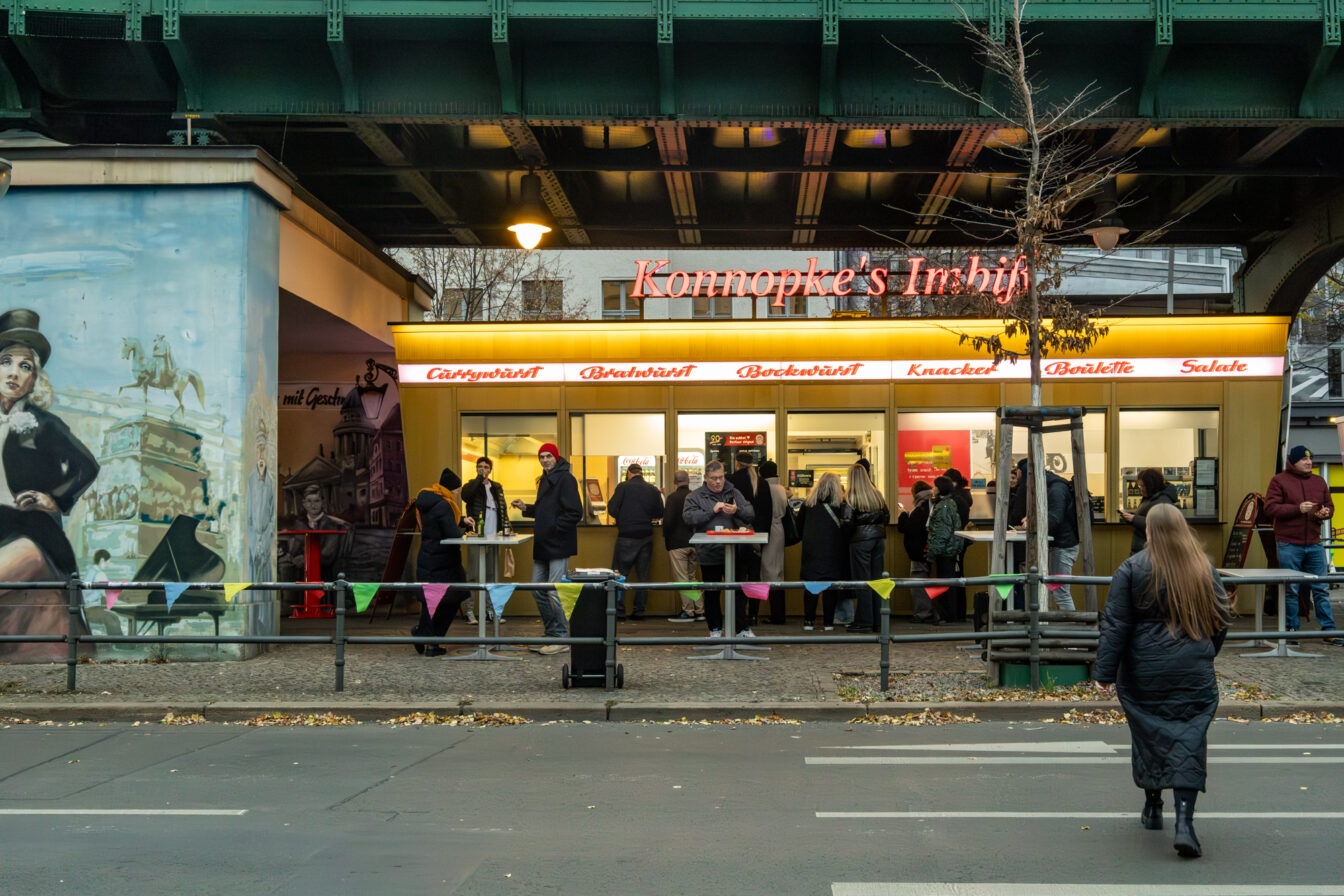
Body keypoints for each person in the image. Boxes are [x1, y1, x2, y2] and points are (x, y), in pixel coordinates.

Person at [1094, 503, 1233, 859]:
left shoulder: (1131, 568)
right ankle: (1185, 823)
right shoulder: (1203, 567)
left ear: (1150, 531)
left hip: (1145, 669)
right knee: (1189, 740)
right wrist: (1204, 654)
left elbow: (1116, 626)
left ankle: (1153, 806)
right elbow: (1221, 620)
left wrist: (1104, 674)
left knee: (1149, 735)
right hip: (1193, 668)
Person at [0, 309, 100, 662]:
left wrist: (53, 498)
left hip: (28, 525)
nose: (14, 372)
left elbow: (87, 466)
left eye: (25, 366)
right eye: (6, 361)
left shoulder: (42, 423)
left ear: (34, 378)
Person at [1263, 445, 1342, 645]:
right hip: (1289, 544)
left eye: (1310, 459)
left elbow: (1330, 506)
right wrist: (1297, 508)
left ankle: (1329, 631)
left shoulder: (1319, 481)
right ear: (1293, 462)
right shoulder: (1279, 481)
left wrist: (1326, 513)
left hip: (1315, 543)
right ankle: (1291, 632)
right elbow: (1270, 508)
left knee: (1321, 589)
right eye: (1304, 460)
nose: (1309, 463)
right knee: (1291, 589)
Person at [510, 443, 581, 654]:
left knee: (556, 591)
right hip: (543, 543)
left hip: (557, 543)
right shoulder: (544, 479)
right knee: (537, 589)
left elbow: (575, 512)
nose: (545, 460)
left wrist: (553, 528)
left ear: (556, 458)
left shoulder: (566, 479)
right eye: (541, 457)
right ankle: (552, 632)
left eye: (549, 456)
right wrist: (526, 508)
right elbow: (545, 510)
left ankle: (561, 638)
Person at [683, 460, 755, 638]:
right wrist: (712, 511)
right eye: (714, 478)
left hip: (736, 551)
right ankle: (715, 629)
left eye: (721, 477)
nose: (718, 482)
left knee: (738, 590)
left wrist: (737, 510)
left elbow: (750, 513)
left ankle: (741, 628)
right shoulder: (695, 496)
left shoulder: (733, 491)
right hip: (709, 552)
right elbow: (688, 517)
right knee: (712, 593)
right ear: (706, 478)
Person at [410, 468, 473, 656]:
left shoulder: (430, 500)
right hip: (444, 560)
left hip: (430, 557)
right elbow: (451, 534)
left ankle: (427, 640)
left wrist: (461, 521)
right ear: (451, 489)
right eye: (457, 489)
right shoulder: (445, 504)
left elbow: (439, 523)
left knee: (432, 602)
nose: (458, 493)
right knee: (454, 597)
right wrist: (466, 532)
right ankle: (428, 639)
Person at [281, 484, 353, 611]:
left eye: (316, 501)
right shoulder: (300, 524)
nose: (313, 505)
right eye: (309, 501)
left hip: (324, 566)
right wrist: (295, 557)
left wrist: (305, 559)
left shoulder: (331, 524)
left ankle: (317, 605)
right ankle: (297, 605)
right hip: (304, 567)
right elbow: (294, 549)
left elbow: (329, 553)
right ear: (303, 503)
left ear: (322, 502)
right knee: (286, 567)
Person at [607, 463, 665, 620]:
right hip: (646, 535)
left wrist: (622, 515)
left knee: (619, 575)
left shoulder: (623, 487)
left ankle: (619, 612)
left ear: (628, 473)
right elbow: (660, 512)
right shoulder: (653, 489)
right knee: (643, 575)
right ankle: (639, 611)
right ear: (642, 473)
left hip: (627, 535)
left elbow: (611, 509)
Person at [797, 472, 851, 631]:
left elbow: (798, 528)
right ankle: (828, 623)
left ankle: (809, 621)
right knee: (830, 588)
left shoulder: (807, 504)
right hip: (833, 550)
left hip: (811, 551)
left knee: (811, 586)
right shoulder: (839, 506)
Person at [462, 456, 508, 623]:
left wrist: (507, 526)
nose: (483, 469)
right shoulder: (471, 486)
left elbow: (503, 507)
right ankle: (469, 611)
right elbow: (466, 496)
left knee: (491, 575)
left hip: (494, 536)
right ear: (476, 469)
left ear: (490, 469)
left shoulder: (496, 487)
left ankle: (490, 611)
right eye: (480, 467)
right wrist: (478, 480)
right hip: (476, 536)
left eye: (486, 467)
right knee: (472, 574)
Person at [729, 450, 773, 628]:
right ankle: (753, 614)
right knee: (755, 575)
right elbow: (768, 511)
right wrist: (764, 535)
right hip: (757, 535)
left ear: (737, 463)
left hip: (736, 534)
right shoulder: (761, 482)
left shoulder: (731, 480)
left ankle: (738, 614)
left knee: (738, 574)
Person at [846, 463, 890, 633]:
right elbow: (887, 515)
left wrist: (848, 538)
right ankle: (878, 621)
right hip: (879, 539)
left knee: (862, 581)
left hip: (860, 541)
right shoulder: (876, 494)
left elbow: (848, 523)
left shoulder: (851, 497)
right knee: (877, 580)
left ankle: (864, 620)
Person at [662, 470, 703, 622]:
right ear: (688, 481)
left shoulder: (673, 498)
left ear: (675, 481)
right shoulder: (695, 496)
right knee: (692, 578)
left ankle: (688, 611)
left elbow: (668, 522)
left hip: (677, 543)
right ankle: (700, 610)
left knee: (682, 579)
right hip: (695, 542)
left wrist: (667, 539)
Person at [896, 480, 936, 623]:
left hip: (919, 552)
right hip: (927, 550)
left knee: (918, 583)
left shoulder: (921, 508)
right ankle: (928, 612)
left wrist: (903, 515)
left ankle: (922, 613)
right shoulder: (931, 505)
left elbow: (908, 528)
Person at [925, 476, 963, 625]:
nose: (932, 489)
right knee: (948, 583)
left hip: (945, 551)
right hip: (950, 549)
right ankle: (949, 614)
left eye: (934, 486)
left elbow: (942, 533)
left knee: (944, 584)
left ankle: (946, 615)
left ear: (940, 488)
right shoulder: (950, 503)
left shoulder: (942, 507)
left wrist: (932, 553)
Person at [757, 460, 790, 625]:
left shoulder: (765, 488)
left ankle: (776, 616)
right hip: (779, 531)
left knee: (770, 572)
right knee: (777, 572)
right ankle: (778, 614)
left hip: (769, 530)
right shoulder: (782, 489)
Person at [1045, 468, 1080, 612]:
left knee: (1061, 593)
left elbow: (1054, 518)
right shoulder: (1058, 486)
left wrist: (1034, 521)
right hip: (1064, 543)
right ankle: (1068, 630)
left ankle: (1072, 631)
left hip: (1063, 545)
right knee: (1059, 592)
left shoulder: (1056, 490)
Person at [1120, 467, 1177, 555]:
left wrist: (1134, 519)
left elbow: (1159, 524)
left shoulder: (1163, 501)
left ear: (1151, 485)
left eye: (1142, 486)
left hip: (1150, 551)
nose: (1140, 489)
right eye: (1139, 486)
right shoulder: (1151, 497)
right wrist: (1132, 516)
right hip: (1143, 548)